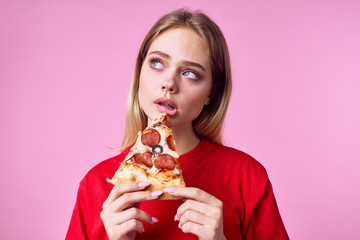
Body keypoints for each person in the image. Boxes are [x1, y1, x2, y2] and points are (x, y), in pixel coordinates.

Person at [66, 9, 289, 240]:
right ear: (140, 72)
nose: (169, 83)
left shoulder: (247, 177)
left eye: (190, 73)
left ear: (211, 93)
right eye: (157, 63)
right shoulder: (96, 183)